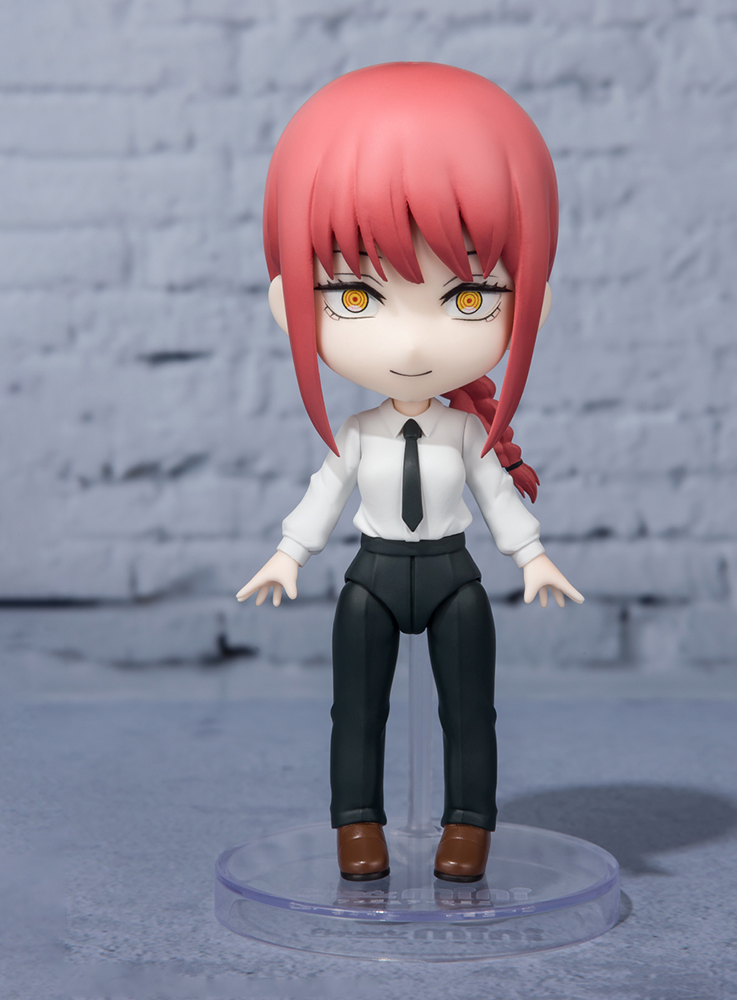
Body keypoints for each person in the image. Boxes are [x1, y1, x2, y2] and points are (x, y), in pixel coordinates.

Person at [236, 63, 583, 883]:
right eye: (357, 297)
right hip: (374, 578)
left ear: (531, 301)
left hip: (455, 578)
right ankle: (357, 826)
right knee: (355, 713)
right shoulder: (358, 435)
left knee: (471, 714)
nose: (413, 344)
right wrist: (289, 554)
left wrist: (532, 558)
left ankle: (469, 826)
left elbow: (496, 495)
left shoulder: (466, 433)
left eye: (468, 299)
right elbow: (324, 494)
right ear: (290, 304)